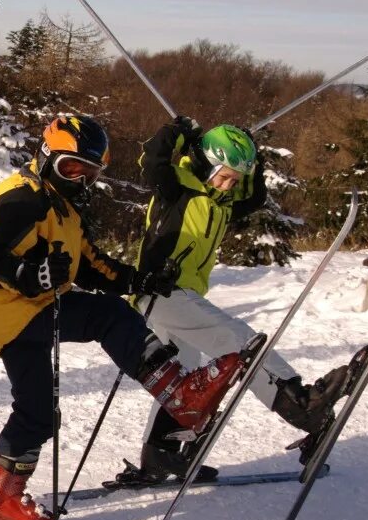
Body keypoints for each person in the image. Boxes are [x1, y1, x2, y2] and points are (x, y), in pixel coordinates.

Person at [0, 114, 251, 520]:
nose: (81, 180)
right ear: (47, 158)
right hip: (15, 311)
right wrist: (31, 275)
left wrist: (138, 280)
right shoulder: (21, 196)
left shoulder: (65, 208)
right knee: (107, 318)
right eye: (72, 169)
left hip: (40, 307)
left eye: (90, 173)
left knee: (39, 411)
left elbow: (92, 265)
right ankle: (180, 393)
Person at [129, 116, 356, 483]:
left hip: (183, 298)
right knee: (240, 345)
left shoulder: (219, 205)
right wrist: (178, 131)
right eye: (223, 175)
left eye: (233, 179)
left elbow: (255, 196)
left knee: (183, 378)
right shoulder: (177, 187)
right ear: (206, 163)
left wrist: (253, 156)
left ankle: (160, 455)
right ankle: (299, 404)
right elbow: (152, 161)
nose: (228, 184)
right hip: (161, 293)